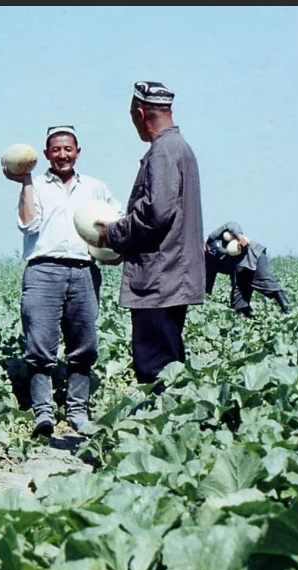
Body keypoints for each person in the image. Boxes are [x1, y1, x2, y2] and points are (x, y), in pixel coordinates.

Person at [3, 125, 123, 437]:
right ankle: (43, 412)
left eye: (68, 149)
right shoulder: (37, 185)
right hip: (43, 270)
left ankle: (77, 411)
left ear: (78, 152)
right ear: (45, 155)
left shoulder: (96, 187)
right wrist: (25, 181)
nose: (62, 155)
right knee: (40, 345)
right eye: (55, 150)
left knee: (84, 345)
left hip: (84, 269)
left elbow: (117, 222)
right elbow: (28, 225)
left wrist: (116, 248)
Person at [93, 81, 205, 393]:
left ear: (140, 113)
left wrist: (112, 234)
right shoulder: (180, 147)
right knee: (170, 367)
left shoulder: (162, 151)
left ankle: (162, 436)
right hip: (172, 277)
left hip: (159, 280)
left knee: (154, 368)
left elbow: (157, 213)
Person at [204, 221, 292, 318]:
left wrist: (240, 237)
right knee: (238, 302)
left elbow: (231, 224)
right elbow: (208, 284)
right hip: (238, 269)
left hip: (252, 256)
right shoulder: (208, 262)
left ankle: (289, 312)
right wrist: (205, 301)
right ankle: (249, 323)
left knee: (267, 283)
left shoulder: (212, 239)